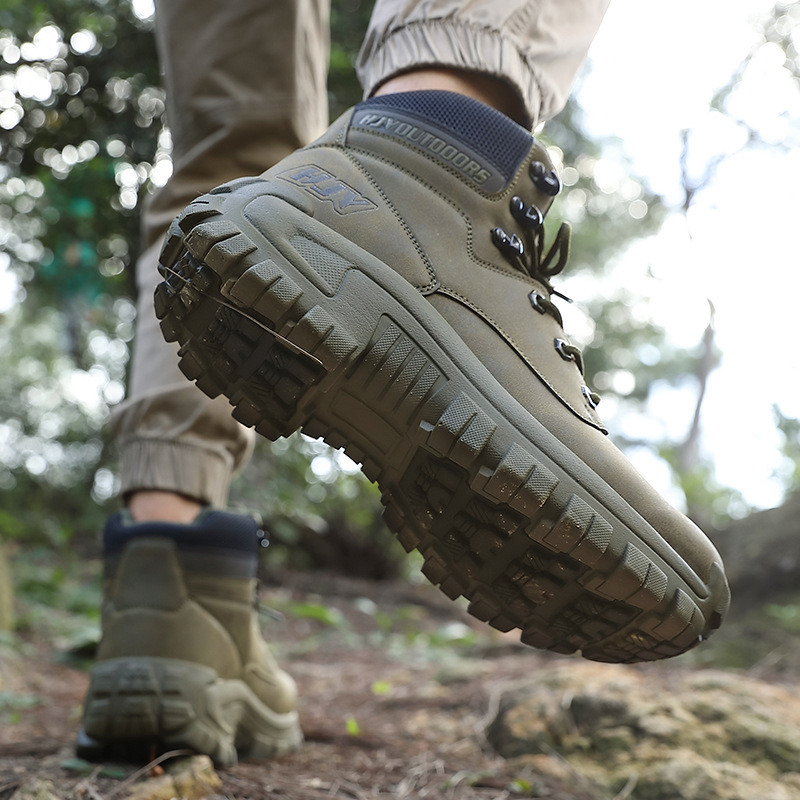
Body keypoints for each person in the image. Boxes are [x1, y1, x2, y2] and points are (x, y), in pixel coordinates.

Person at [77, 0, 731, 767]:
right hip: (423, 171)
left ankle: (167, 584)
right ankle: (439, 154)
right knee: (284, 182)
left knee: (241, 168)